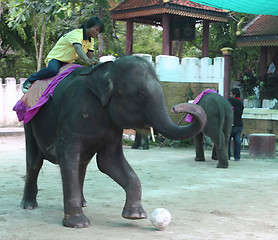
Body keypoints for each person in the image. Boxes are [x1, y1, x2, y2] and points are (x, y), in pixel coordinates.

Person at [21, 16, 104, 93]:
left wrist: (96, 62)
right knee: (53, 70)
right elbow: (78, 49)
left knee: (79, 72)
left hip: (68, 62)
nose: (97, 33)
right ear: (89, 26)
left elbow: (90, 55)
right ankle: (30, 80)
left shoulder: (91, 40)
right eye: (96, 29)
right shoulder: (76, 34)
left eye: (99, 32)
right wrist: (87, 60)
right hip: (56, 59)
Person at [228, 88, 244, 161]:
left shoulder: (231, 100)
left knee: (227, 141)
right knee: (237, 141)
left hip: (231, 124)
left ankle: (227, 156)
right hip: (239, 125)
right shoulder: (241, 103)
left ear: (234, 95)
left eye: (231, 94)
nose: (230, 95)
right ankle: (237, 157)